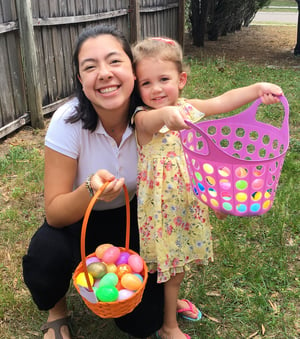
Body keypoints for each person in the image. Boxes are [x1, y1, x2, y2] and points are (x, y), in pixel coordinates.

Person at [131, 37, 283, 339]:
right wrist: (167, 116)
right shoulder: (141, 117)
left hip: (189, 202)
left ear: (181, 79)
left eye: (164, 79)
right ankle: (168, 326)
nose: (157, 89)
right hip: (161, 212)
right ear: (137, 87)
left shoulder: (188, 108)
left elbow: (221, 102)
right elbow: (153, 122)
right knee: (172, 270)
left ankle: (171, 305)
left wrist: (257, 89)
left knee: (180, 265)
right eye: (147, 83)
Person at [22, 25, 165, 339]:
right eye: (90, 67)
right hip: (78, 220)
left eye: (115, 62)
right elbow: (55, 213)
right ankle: (57, 310)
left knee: (143, 323)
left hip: (132, 217)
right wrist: (90, 190)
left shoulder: (153, 115)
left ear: (133, 69)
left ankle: (164, 296)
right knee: (47, 255)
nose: (104, 73)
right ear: (80, 80)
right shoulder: (67, 122)